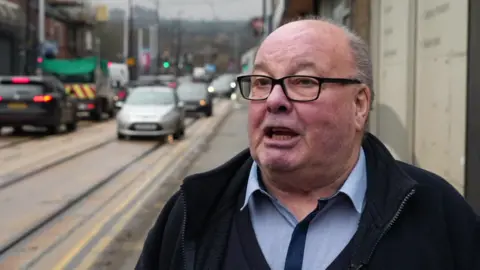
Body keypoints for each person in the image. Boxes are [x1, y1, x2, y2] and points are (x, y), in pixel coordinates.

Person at [135, 18, 480, 270]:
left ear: (359, 105)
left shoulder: (438, 214)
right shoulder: (189, 215)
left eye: (303, 81)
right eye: (261, 81)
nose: (274, 100)